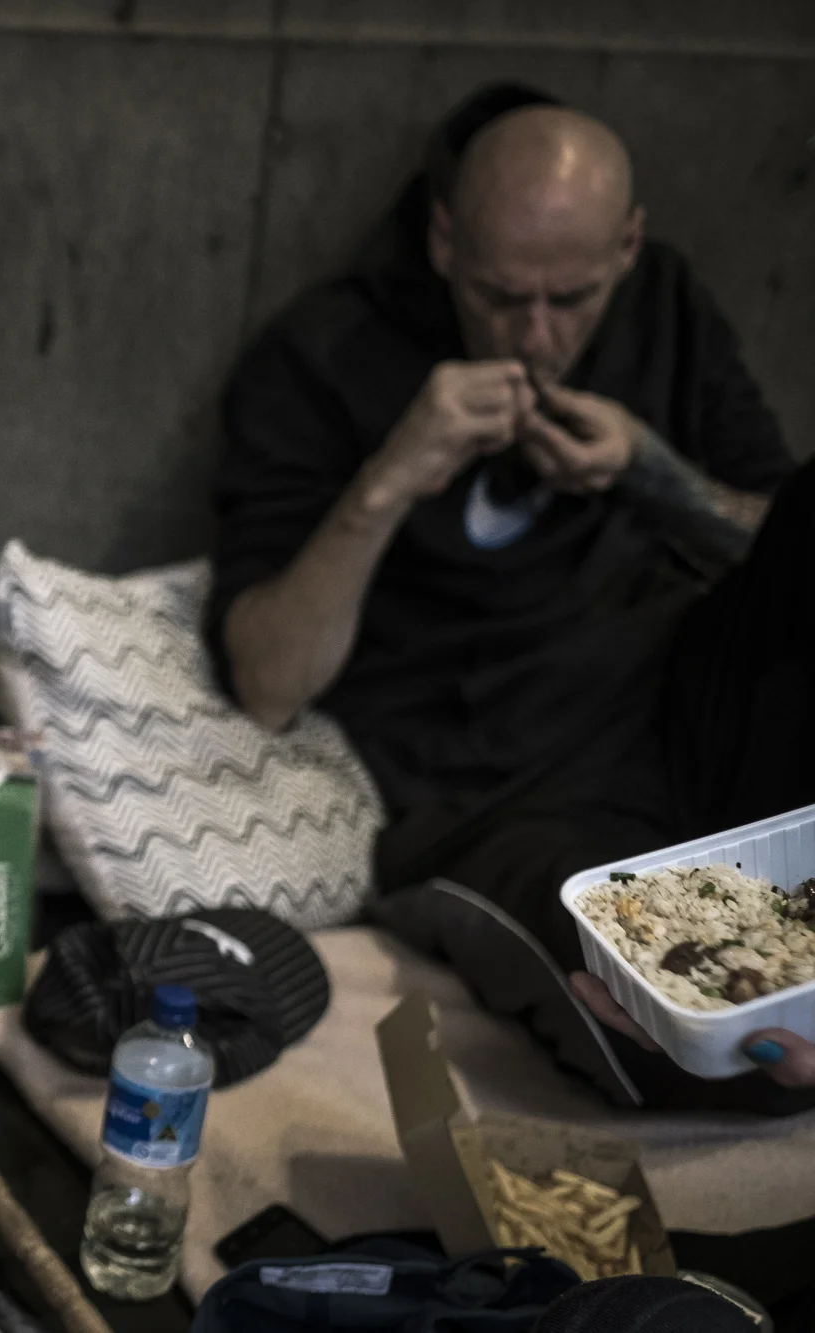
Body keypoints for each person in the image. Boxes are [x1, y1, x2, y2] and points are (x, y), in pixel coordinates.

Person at [207, 83, 815, 1107]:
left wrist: (652, 470)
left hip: (689, 693)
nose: (533, 335)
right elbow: (265, 680)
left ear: (623, 248)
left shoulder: (661, 303)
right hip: (500, 784)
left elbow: (769, 526)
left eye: (569, 300)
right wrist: (390, 476)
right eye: (500, 295)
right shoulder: (321, 356)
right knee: (685, 1022)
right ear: (443, 240)